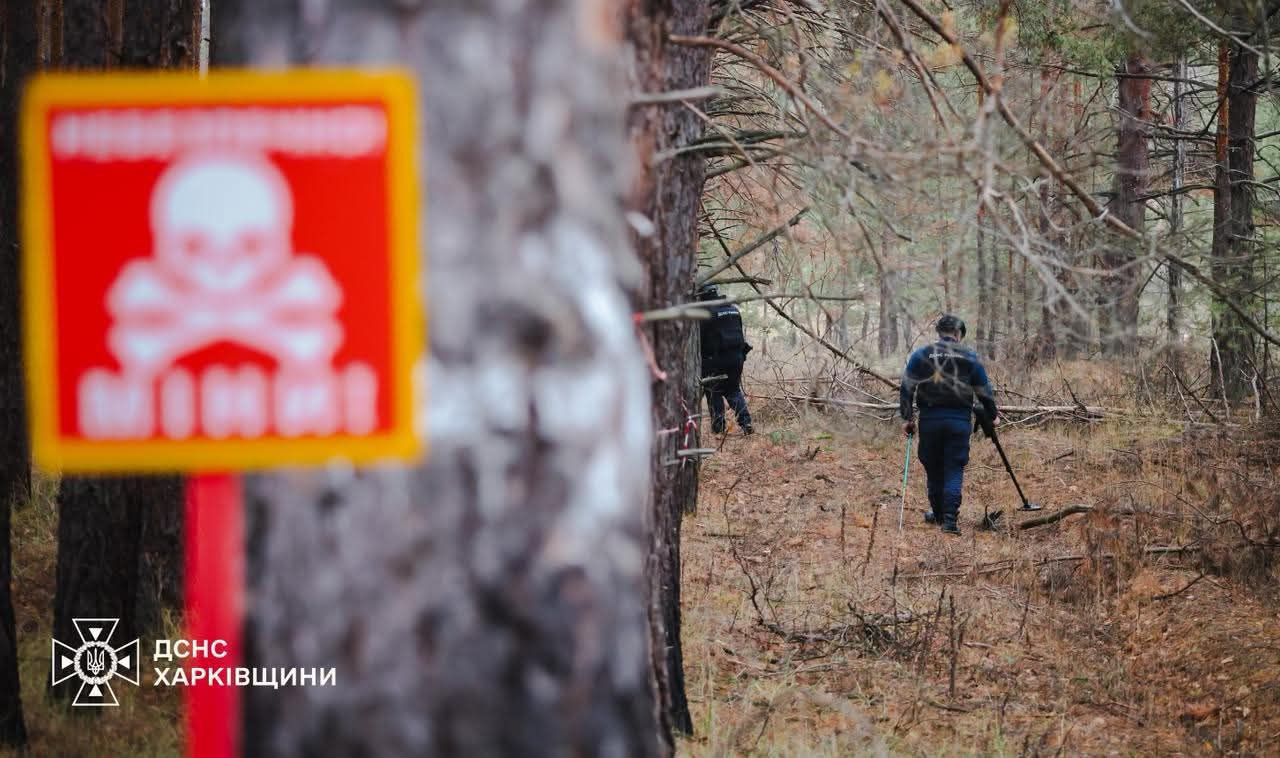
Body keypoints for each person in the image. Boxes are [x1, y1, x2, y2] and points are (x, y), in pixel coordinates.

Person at [899, 314, 997, 535]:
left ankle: (938, 513)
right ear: (958, 334)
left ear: (940, 332)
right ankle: (950, 520)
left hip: (930, 420)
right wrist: (993, 414)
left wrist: (907, 418)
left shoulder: (921, 355)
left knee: (933, 468)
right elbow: (984, 390)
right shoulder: (970, 357)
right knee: (953, 468)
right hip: (958, 421)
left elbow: (907, 388)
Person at [698, 285, 754, 435]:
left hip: (715, 359)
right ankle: (746, 422)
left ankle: (719, 428)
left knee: (714, 391)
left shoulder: (705, 313)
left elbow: (700, 341)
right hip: (737, 358)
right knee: (733, 390)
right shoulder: (733, 309)